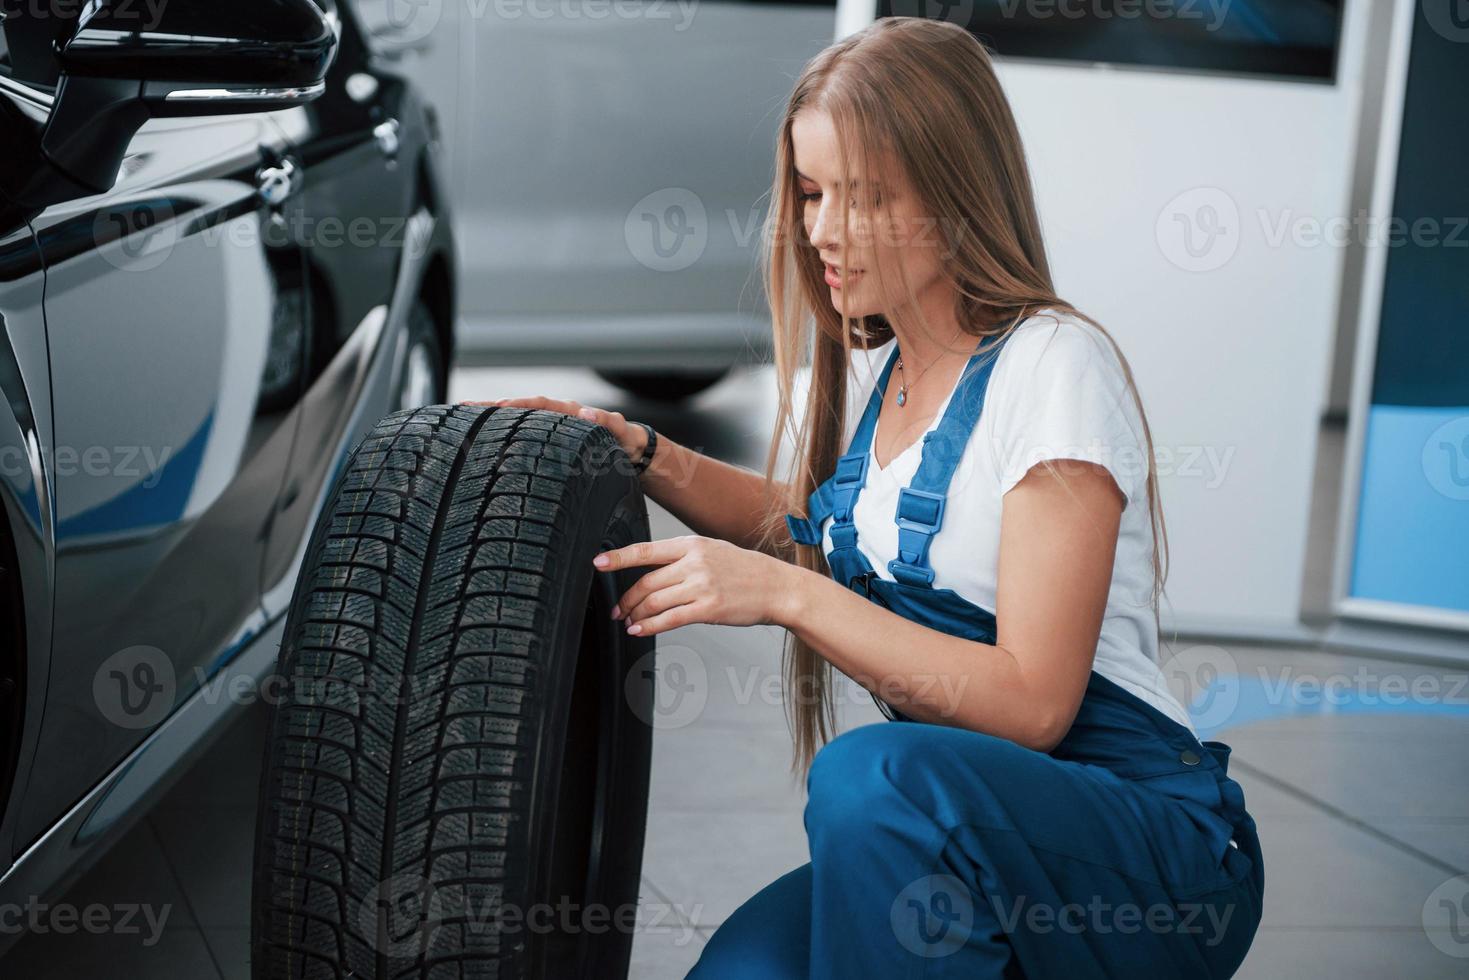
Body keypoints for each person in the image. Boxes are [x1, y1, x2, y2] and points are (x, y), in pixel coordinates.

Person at [467, 16, 1263, 978]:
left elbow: (1035, 707)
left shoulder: (1056, 367)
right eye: (810, 192)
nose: (823, 230)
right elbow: (811, 531)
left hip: (1146, 856)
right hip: (965, 835)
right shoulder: (886, 374)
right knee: (739, 971)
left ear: (957, 196)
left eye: (867, 196)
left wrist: (784, 597)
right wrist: (643, 453)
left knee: (867, 775)